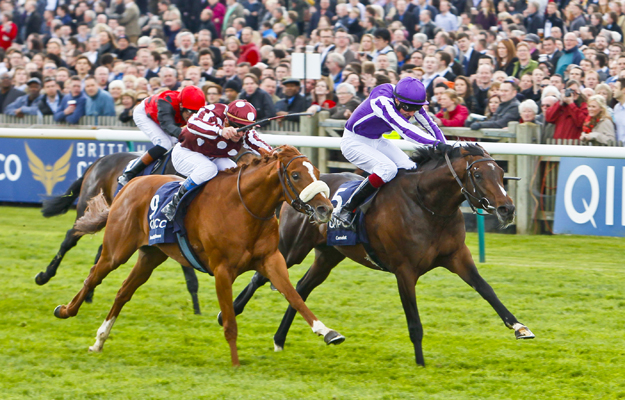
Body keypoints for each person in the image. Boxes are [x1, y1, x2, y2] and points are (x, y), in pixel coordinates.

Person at [334, 76, 446, 226]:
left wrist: (445, 147)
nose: (412, 113)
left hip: (376, 140)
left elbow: (431, 125)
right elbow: (405, 129)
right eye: (408, 108)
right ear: (397, 100)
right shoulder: (382, 100)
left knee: (411, 168)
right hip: (353, 142)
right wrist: (435, 144)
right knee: (388, 169)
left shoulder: (408, 102)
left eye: (416, 109)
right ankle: (347, 209)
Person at [161, 100, 272, 220]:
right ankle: (174, 203)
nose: (240, 133)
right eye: (235, 126)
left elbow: (260, 145)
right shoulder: (213, 113)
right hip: (186, 152)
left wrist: (275, 154)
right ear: (226, 120)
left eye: (244, 129)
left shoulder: (245, 133)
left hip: (213, 157)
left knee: (233, 171)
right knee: (208, 169)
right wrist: (220, 130)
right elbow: (192, 123)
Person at [118, 85, 206, 186]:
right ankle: (129, 174)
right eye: (190, 112)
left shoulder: (192, 109)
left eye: (197, 112)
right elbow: (167, 126)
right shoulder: (166, 102)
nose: (192, 116)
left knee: (176, 143)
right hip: (145, 114)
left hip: (167, 118)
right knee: (164, 143)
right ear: (181, 106)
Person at [613, 78, 625, 144]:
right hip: (619, 150)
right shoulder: (616, 108)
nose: (613, 90)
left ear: (624, 90)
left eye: (616, 88)